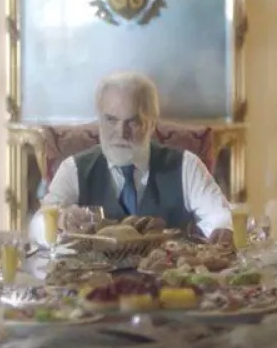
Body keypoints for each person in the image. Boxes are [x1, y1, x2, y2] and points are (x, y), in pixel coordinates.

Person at [29, 72, 232, 244]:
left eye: (133, 122)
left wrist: (223, 229)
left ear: (152, 124)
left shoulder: (186, 166)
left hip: (169, 277)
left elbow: (221, 216)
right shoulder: (74, 169)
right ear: (99, 120)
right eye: (111, 120)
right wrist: (59, 221)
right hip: (91, 278)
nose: (121, 132)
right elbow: (37, 226)